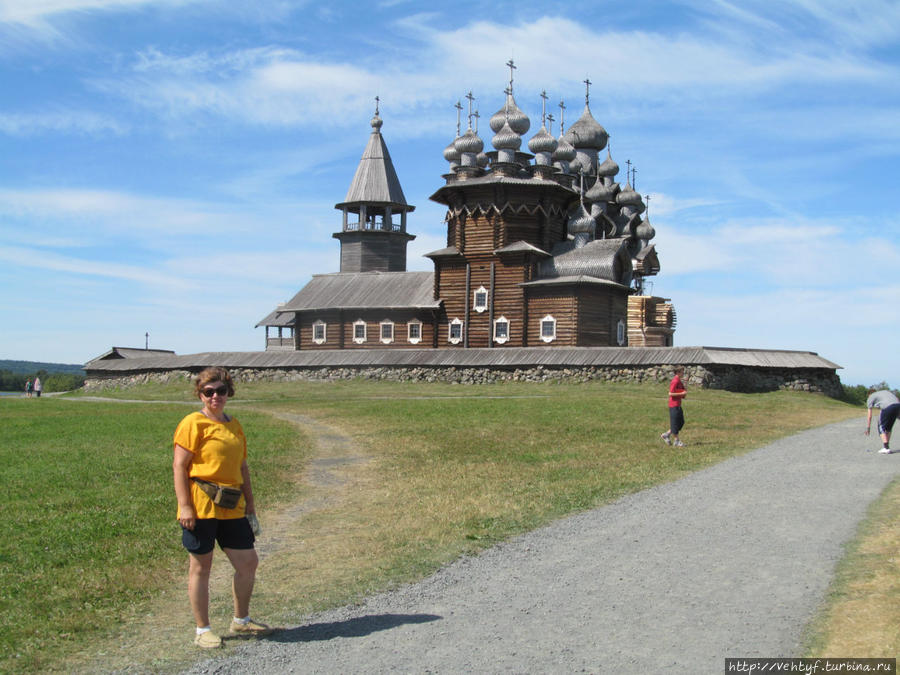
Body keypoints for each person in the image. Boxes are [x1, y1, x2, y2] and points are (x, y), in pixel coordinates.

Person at [173, 366, 270, 649]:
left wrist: (250, 502)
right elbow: (179, 465)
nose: (216, 396)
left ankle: (241, 620)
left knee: (248, 562)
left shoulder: (234, 425)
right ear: (200, 394)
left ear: (229, 392)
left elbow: (242, 466)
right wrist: (185, 506)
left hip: (232, 505)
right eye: (209, 391)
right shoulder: (193, 423)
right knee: (201, 567)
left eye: (221, 391)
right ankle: (202, 630)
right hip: (202, 505)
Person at [865, 388, 900, 455]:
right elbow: (896, 400)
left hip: (888, 407)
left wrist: (868, 428)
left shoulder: (870, 397)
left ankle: (886, 448)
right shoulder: (885, 392)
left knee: (881, 426)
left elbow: (869, 415)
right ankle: (886, 446)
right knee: (888, 427)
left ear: (869, 394)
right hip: (898, 405)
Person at [660, 366, 687, 448]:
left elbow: (682, 390)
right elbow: (670, 393)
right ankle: (677, 441)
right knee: (675, 423)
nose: (683, 373)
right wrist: (681, 394)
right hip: (673, 405)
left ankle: (667, 434)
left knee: (681, 422)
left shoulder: (679, 381)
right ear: (678, 372)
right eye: (682, 372)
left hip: (678, 404)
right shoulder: (675, 381)